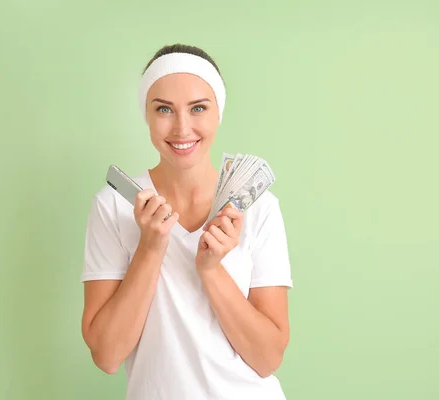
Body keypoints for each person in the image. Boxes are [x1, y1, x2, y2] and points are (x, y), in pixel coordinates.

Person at [80, 43, 294, 400]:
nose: (182, 128)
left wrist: (211, 270)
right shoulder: (113, 208)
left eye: (198, 108)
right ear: (146, 114)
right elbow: (107, 355)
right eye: (163, 108)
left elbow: (268, 357)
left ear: (218, 114)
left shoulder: (259, 208)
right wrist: (149, 248)